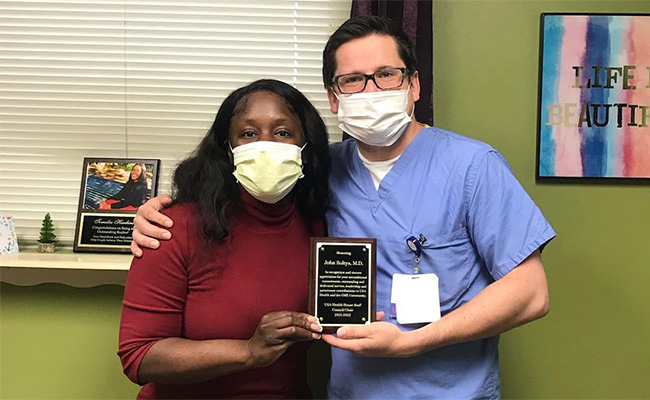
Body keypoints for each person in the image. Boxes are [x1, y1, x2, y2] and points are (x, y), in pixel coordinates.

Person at [131, 16, 555, 399]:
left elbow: (531, 293)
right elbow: (248, 203)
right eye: (352, 80)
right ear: (334, 98)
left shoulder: (472, 166)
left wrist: (413, 341)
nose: (371, 91)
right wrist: (155, 211)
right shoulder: (321, 170)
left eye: (387, 75)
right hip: (351, 392)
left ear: (415, 86)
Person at [118, 79, 329, 399]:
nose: (265, 144)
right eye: (248, 133)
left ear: (305, 145)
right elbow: (139, 356)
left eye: (283, 132)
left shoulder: (322, 228)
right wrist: (248, 352)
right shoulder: (173, 226)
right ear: (228, 149)